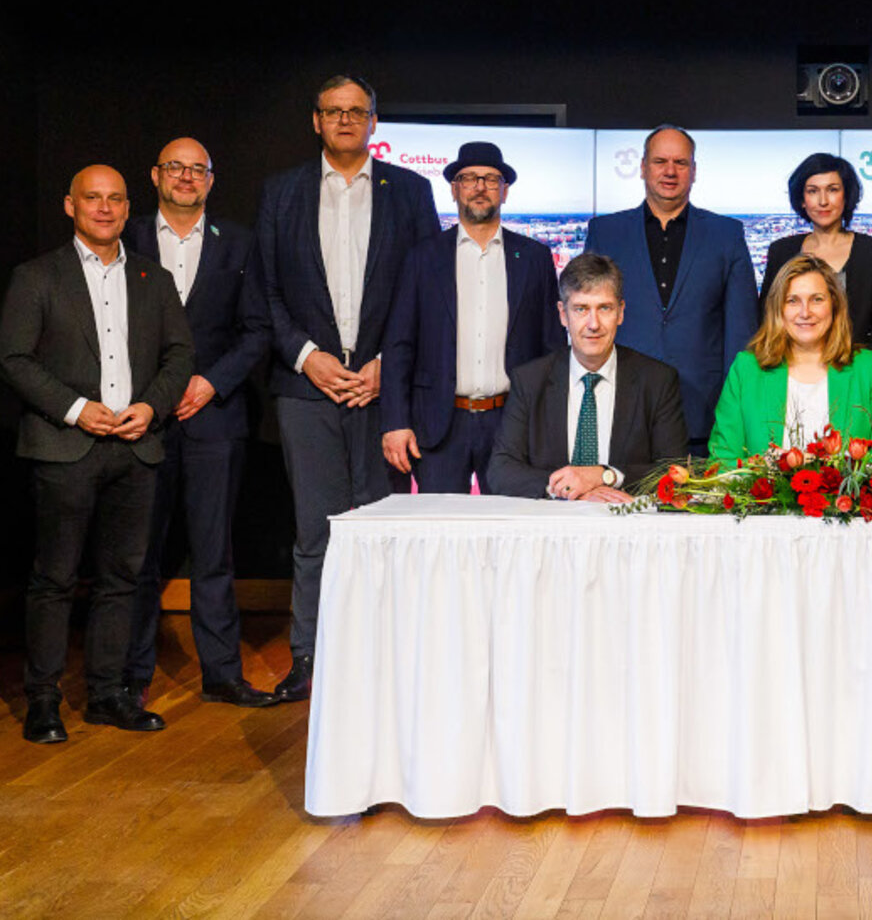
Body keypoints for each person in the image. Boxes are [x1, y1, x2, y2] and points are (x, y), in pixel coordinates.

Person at [256, 74, 440, 702]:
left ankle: (383, 660)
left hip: (381, 389)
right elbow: (268, 292)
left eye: (355, 112)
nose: (343, 120)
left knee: (378, 528)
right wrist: (307, 357)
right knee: (315, 532)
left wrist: (390, 363)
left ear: (373, 123)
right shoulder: (281, 194)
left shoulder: (409, 193)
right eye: (332, 111)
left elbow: (426, 291)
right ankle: (308, 658)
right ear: (315, 121)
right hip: (307, 388)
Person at [0, 166, 194, 743]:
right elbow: (14, 359)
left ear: (127, 207)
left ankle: (109, 695)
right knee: (54, 579)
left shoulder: (152, 278)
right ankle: (43, 700)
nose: (104, 209)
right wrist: (75, 408)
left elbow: (180, 355)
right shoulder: (36, 277)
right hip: (65, 449)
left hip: (136, 450)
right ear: (70, 205)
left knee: (123, 580)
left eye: (114, 199)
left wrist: (152, 408)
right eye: (92, 198)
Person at [121, 138, 275, 709]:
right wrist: (159, 393)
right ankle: (129, 677)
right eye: (175, 168)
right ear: (155, 175)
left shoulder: (238, 242)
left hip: (216, 417)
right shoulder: (128, 237)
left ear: (211, 180)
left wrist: (211, 382)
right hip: (144, 420)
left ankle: (222, 675)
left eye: (198, 170)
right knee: (139, 555)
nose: (186, 177)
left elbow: (256, 329)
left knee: (215, 554)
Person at [382, 141, 562, 494]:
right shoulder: (423, 257)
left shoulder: (536, 258)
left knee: (511, 535)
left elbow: (552, 349)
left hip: (512, 422)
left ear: (505, 191)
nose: (480, 187)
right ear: (454, 189)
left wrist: (549, 427)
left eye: (491, 179)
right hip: (437, 424)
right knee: (440, 537)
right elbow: (400, 344)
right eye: (469, 178)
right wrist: (395, 422)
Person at [582, 125, 756, 455]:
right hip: (619, 408)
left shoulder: (727, 235)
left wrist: (736, 412)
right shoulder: (605, 232)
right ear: (643, 167)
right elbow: (588, 322)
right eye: (661, 161)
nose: (670, 171)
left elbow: (741, 333)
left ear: (694, 171)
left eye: (681, 162)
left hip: (704, 416)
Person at [488, 254, 687, 500]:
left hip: (626, 526)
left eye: (604, 308)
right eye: (581, 309)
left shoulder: (657, 381)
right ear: (563, 315)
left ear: (621, 312)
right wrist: (571, 490)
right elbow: (501, 470)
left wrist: (606, 476)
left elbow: (674, 472)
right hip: (552, 526)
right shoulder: (530, 380)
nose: (593, 324)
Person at [709, 254, 872, 463]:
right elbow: (723, 460)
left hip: (847, 496)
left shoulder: (868, 368)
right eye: (792, 301)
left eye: (816, 299)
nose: (805, 312)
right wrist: (769, 469)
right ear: (778, 309)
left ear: (835, 304)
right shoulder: (747, 369)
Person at [761, 153, 872, 358]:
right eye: (813, 191)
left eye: (832, 190)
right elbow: (767, 320)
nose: (823, 201)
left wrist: (863, 377)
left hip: (855, 377)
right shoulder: (781, 252)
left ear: (846, 196)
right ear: (802, 199)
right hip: (790, 373)